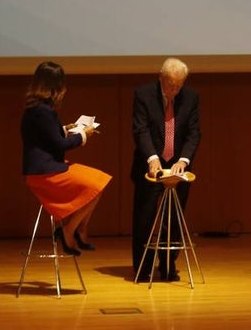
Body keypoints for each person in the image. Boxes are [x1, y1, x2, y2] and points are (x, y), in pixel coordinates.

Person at [21, 60, 112, 256]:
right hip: (45, 172)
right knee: (97, 184)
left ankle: (78, 229)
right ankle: (69, 231)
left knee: (99, 182)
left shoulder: (37, 108)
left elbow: (43, 137)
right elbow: (58, 145)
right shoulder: (42, 111)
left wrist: (64, 129)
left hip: (48, 166)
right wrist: (83, 135)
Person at [131, 57, 201, 281]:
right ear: (161, 78)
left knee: (174, 218)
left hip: (177, 166)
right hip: (150, 163)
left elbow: (194, 134)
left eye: (179, 85)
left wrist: (184, 160)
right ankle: (143, 266)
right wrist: (152, 158)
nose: (175, 90)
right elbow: (140, 130)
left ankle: (168, 264)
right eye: (171, 84)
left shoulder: (190, 97)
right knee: (146, 217)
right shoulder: (143, 94)